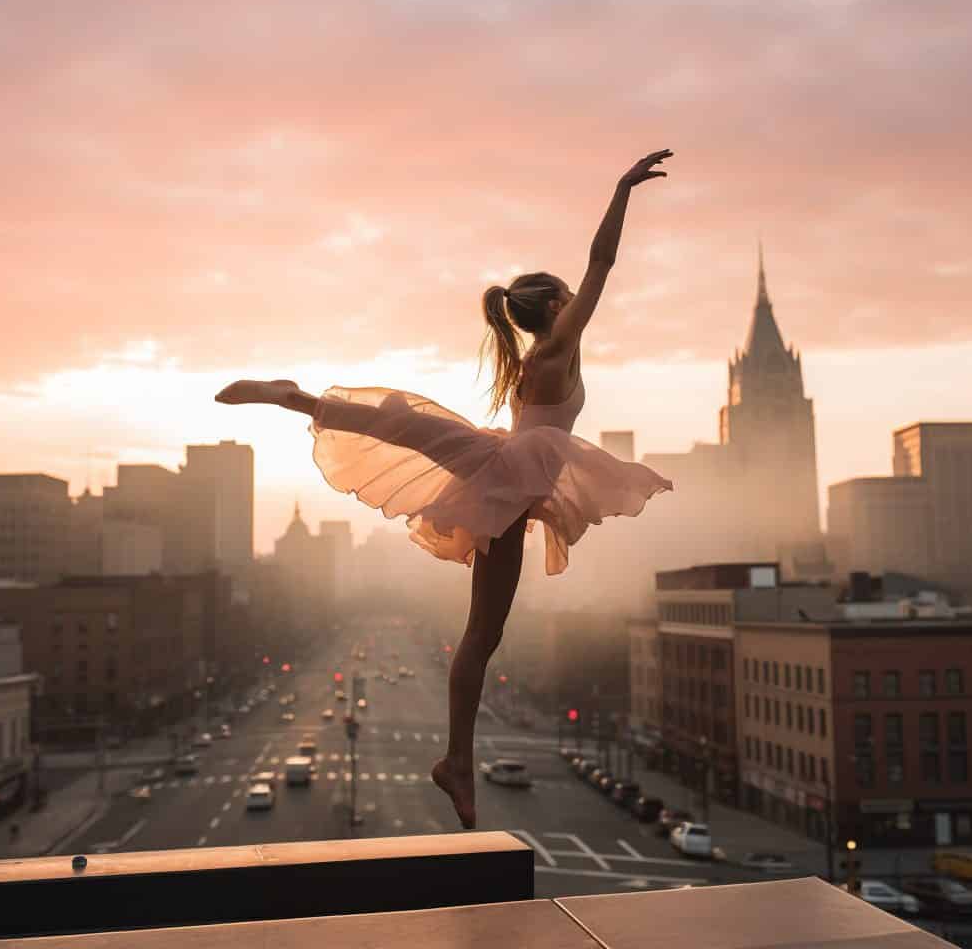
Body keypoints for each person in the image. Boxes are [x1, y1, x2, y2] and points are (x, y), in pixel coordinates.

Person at [215, 149, 675, 828]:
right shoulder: (556, 347)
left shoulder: (535, 360)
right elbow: (601, 265)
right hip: (510, 482)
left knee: (405, 432)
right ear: (554, 306)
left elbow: (592, 279)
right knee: (476, 633)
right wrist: (621, 190)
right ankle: (456, 762)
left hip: (507, 478)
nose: (580, 303)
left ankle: (297, 399)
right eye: (569, 299)